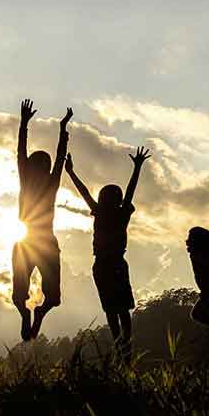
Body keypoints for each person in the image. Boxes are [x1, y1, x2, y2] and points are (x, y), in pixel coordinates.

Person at [65, 146, 151, 363]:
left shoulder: (105, 212)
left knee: (113, 309)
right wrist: (138, 167)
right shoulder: (120, 213)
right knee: (120, 309)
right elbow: (129, 191)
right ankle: (125, 343)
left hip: (104, 265)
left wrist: (71, 172)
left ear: (103, 198)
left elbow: (84, 192)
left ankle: (121, 343)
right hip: (113, 264)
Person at [13, 98, 72, 341]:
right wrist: (61, 130)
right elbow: (27, 155)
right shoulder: (44, 183)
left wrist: (26, 123)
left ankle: (34, 314)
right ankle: (29, 315)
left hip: (33, 242)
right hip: (36, 242)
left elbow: (25, 154)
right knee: (22, 295)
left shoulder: (38, 182)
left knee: (49, 298)